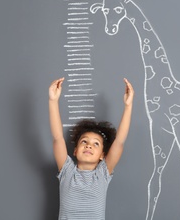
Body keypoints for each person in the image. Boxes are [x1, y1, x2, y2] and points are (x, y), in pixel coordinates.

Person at [48, 77, 134, 220]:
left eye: (96, 144)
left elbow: (119, 142)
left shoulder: (102, 173)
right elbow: (57, 138)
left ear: (102, 155)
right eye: (84, 141)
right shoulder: (67, 171)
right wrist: (53, 101)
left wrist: (128, 106)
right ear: (75, 151)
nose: (88, 145)